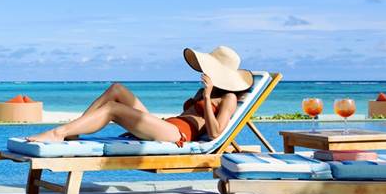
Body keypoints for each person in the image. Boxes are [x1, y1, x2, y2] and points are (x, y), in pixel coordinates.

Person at [26, 46, 253, 145]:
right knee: (116, 89)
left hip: (178, 136)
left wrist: (207, 95)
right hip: (168, 125)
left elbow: (215, 134)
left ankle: (59, 133)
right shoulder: (206, 91)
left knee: (113, 109)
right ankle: (74, 131)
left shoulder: (228, 99)